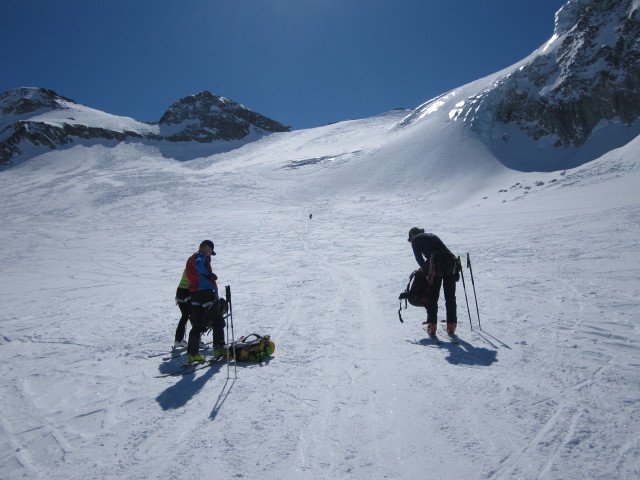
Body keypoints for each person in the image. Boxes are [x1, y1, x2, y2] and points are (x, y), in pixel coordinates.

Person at [407, 227, 459, 339]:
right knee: (450, 296)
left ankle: (432, 326)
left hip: (436, 263)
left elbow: (419, 258)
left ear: (412, 235)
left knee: (432, 295)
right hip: (450, 261)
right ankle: (451, 325)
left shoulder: (415, 240)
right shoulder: (432, 235)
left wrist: (426, 271)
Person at [185, 240, 226, 363]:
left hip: (194, 294)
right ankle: (219, 348)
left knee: (197, 325)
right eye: (210, 251)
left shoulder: (191, 258)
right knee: (218, 321)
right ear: (206, 247)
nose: (209, 254)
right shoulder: (200, 256)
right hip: (205, 293)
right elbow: (199, 265)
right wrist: (209, 275)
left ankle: (192, 354)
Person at [173, 269, 190, 349]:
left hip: (180, 291)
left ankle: (178, 340)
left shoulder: (189, 263)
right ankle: (197, 340)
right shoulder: (198, 263)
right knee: (194, 315)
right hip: (188, 292)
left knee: (185, 315)